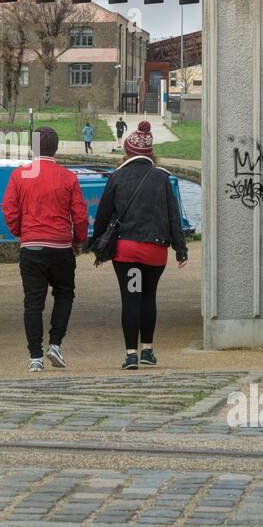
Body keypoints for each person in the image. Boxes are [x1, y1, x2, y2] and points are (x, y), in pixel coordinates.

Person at [88, 121, 188, 370]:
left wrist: (94, 243)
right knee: (149, 297)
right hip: (154, 252)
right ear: (150, 154)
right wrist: (181, 249)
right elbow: (173, 216)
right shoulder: (162, 178)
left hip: (128, 251)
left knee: (131, 298)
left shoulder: (117, 177)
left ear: (128, 151)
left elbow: (102, 215)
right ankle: (148, 350)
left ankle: (131, 354)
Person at [2, 127, 88, 373]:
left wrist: (21, 232)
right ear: (57, 148)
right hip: (60, 245)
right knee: (64, 294)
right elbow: (79, 214)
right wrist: (78, 240)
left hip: (31, 246)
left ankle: (35, 356)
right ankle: (56, 344)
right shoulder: (68, 177)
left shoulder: (20, 176)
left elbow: (9, 209)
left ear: (33, 148)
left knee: (33, 303)